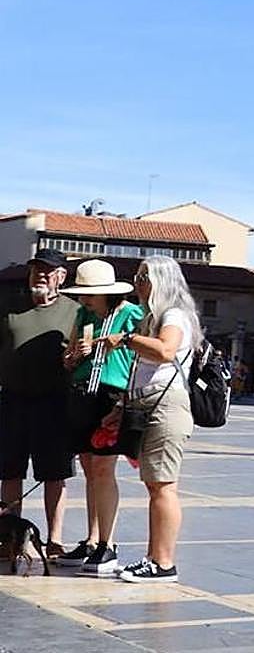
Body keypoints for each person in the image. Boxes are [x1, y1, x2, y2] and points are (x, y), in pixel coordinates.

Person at [98, 255, 199, 583]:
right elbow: (143, 372)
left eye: (145, 277)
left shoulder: (174, 316)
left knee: (163, 486)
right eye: (138, 276)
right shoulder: (154, 317)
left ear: (162, 281)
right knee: (155, 484)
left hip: (166, 407)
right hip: (148, 404)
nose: (138, 283)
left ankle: (163, 562)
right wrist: (122, 407)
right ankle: (153, 557)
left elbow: (166, 351)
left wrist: (126, 339)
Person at [59, 260, 143, 575]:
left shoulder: (131, 315)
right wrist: (73, 356)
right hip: (83, 392)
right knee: (90, 469)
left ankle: (108, 544)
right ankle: (93, 539)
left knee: (104, 468)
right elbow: (68, 358)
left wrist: (125, 402)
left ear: (106, 293)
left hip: (111, 394)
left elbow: (140, 360)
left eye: (89, 295)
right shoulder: (83, 316)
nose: (84, 300)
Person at [0, 248, 79, 563]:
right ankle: (9, 538)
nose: (40, 276)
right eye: (36, 270)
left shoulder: (74, 311)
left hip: (54, 403)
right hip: (11, 400)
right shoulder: (10, 308)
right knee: (9, 471)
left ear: (61, 277)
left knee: (54, 474)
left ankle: (55, 540)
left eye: (47, 271)